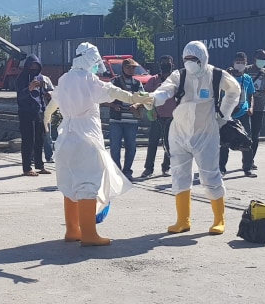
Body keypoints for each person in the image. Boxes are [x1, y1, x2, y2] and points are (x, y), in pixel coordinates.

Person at [43, 42, 154, 246]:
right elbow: (113, 92)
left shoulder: (64, 79)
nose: (97, 66)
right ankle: (88, 234)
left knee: (70, 185)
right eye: (95, 62)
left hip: (66, 137)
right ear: (89, 60)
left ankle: (72, 230)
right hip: (86, 138)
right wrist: (134, 97)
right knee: (88, 184)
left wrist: (47, 118)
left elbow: (53, 104)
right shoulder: (89, 80)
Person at [150, 41, 240, 235]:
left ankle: (219, 219)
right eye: (187, 59)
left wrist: (223, 115)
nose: (190, 63)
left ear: (204, 58)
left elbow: (234, 90)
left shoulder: (216, 75)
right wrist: (153, 98)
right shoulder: (179, 75)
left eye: (194, 59)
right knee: (179, 175)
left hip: (206, 134)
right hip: (179, 133)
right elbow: (165, 89)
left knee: (210, 175)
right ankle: (183, 220)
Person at [104, 58, 145, 181]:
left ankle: (127, 171)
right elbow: (103, 99)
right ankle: (116, 172)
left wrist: (136, 105)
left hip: (132, 120)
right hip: (116, 120)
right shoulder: (114, 81)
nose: (131, 70)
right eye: (129, 67)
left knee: (131, 147)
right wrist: (113, 105)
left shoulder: (138, 83)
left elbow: (144, 99)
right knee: (115, 147)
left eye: (133, 68)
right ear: (123, 68)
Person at [219, 52, 256, 178]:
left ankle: (247, 168)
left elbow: (251, 95)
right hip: (228, 113)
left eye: (242, 62)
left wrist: (251, 107)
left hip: (243, 113)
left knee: (247, 141)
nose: (240, 64)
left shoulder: (247, 78)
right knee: (224, 142)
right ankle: (221, 169)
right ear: (233, 62)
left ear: (246, 64)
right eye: (238, 62)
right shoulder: (227, 77)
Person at [16, 54, 51, 176]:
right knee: (28, 141)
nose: (34, 69)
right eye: (32, 66)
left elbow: (41, 95)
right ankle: (27, 168)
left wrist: (45, 108)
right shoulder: (21, 78)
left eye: (36, 66)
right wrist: (29, 89)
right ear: (27, 66)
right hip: (26, 113)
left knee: (39, 140)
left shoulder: (40, 77)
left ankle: (39, 165)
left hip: (39, 112)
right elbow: (20, 97)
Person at [141, 55, 176, 178]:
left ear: (172, 65)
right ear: (159, 65)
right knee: (152, 144)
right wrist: (152, 109)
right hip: (157, 116)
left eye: (168, 63)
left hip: (172, 117)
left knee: (169, 144)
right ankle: (148, 169)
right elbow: (146, 96)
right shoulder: (154, 80)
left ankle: (166, 168)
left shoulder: (176, 79)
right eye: (163, 63)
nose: (166, 65)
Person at [245, 49, 265, 170]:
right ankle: (246, 159)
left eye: (264, 58)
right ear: (254, 58)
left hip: (260, 107)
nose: (262, 60)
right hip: (245, 107)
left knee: (255, 136)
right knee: (246, 134)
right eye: (260, 57)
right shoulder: (246, 70)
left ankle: (250, 160)